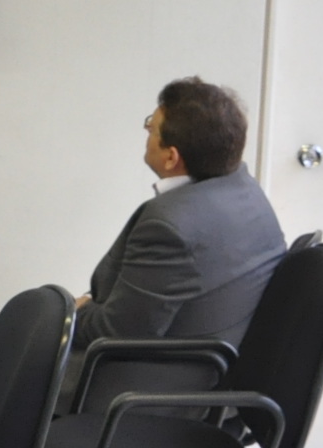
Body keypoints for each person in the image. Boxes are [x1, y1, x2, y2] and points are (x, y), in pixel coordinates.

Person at [66, 77, 286, 405]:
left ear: (172, 158)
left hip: (143, 396)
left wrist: (71, 313)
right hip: (210, 376)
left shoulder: (170, 226)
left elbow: (116, 332)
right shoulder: (247, 193)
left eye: (151, 128)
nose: (146, 133)